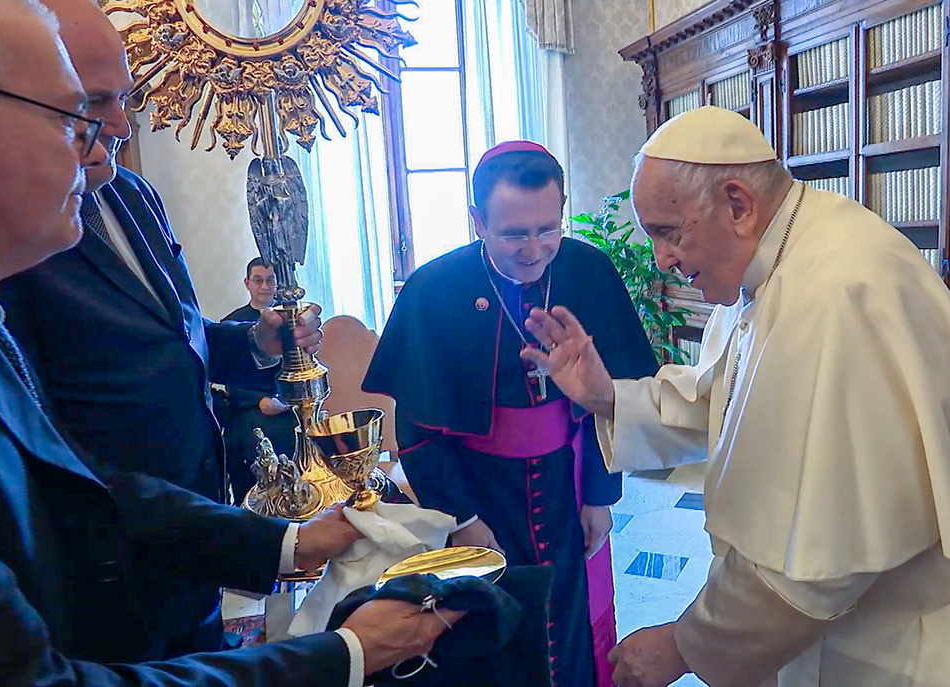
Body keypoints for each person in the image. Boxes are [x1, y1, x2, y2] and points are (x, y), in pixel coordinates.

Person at [0, 1, 459, 684]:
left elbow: (164, 353)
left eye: (117, 102)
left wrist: (287, 540)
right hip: (94, 581)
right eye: (76, 109)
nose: (106, 134)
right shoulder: (13, 270)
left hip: (183, 536)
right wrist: (345, 654)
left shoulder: (126, 201)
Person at [523, 106, 950, 687]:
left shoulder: (836, 292)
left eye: (669, 233)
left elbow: (818, 566)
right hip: (814, 638)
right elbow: (719, 402)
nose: (662, 261)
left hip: (878, 647)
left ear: (738, 205)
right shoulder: (768, 268)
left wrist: (683, 644)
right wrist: (607, 397)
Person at [0, 0, 321, 656]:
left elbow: (175, 333)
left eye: (127, 97)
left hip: (196, 541)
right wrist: (276, 548)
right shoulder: (15, 236)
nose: (122, 122)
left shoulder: (133, 195)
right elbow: (46, 445)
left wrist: (254, 340)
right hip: (104, 566)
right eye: (94, 101)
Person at [363, 141, 657, 687]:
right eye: (513, 233)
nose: (534, 249)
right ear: (477, 220)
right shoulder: (435, 289)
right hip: (480, 490)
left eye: (548, 228)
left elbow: (616, 397)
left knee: (566, 615)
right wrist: (463, 517)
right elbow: (419, 430)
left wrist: (598, 494)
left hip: (566, 480)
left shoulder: (587, 271)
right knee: (492, 626)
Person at [220, 257, 296, 501]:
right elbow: (231, 378)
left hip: (286, 403)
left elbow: (297, 366)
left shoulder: (291, 319)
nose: (265, 286)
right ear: (247, 283)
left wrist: (283, 401)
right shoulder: (232, 323)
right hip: (250, 405)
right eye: (258, 280)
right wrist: (261, 401)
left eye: (270, 280)